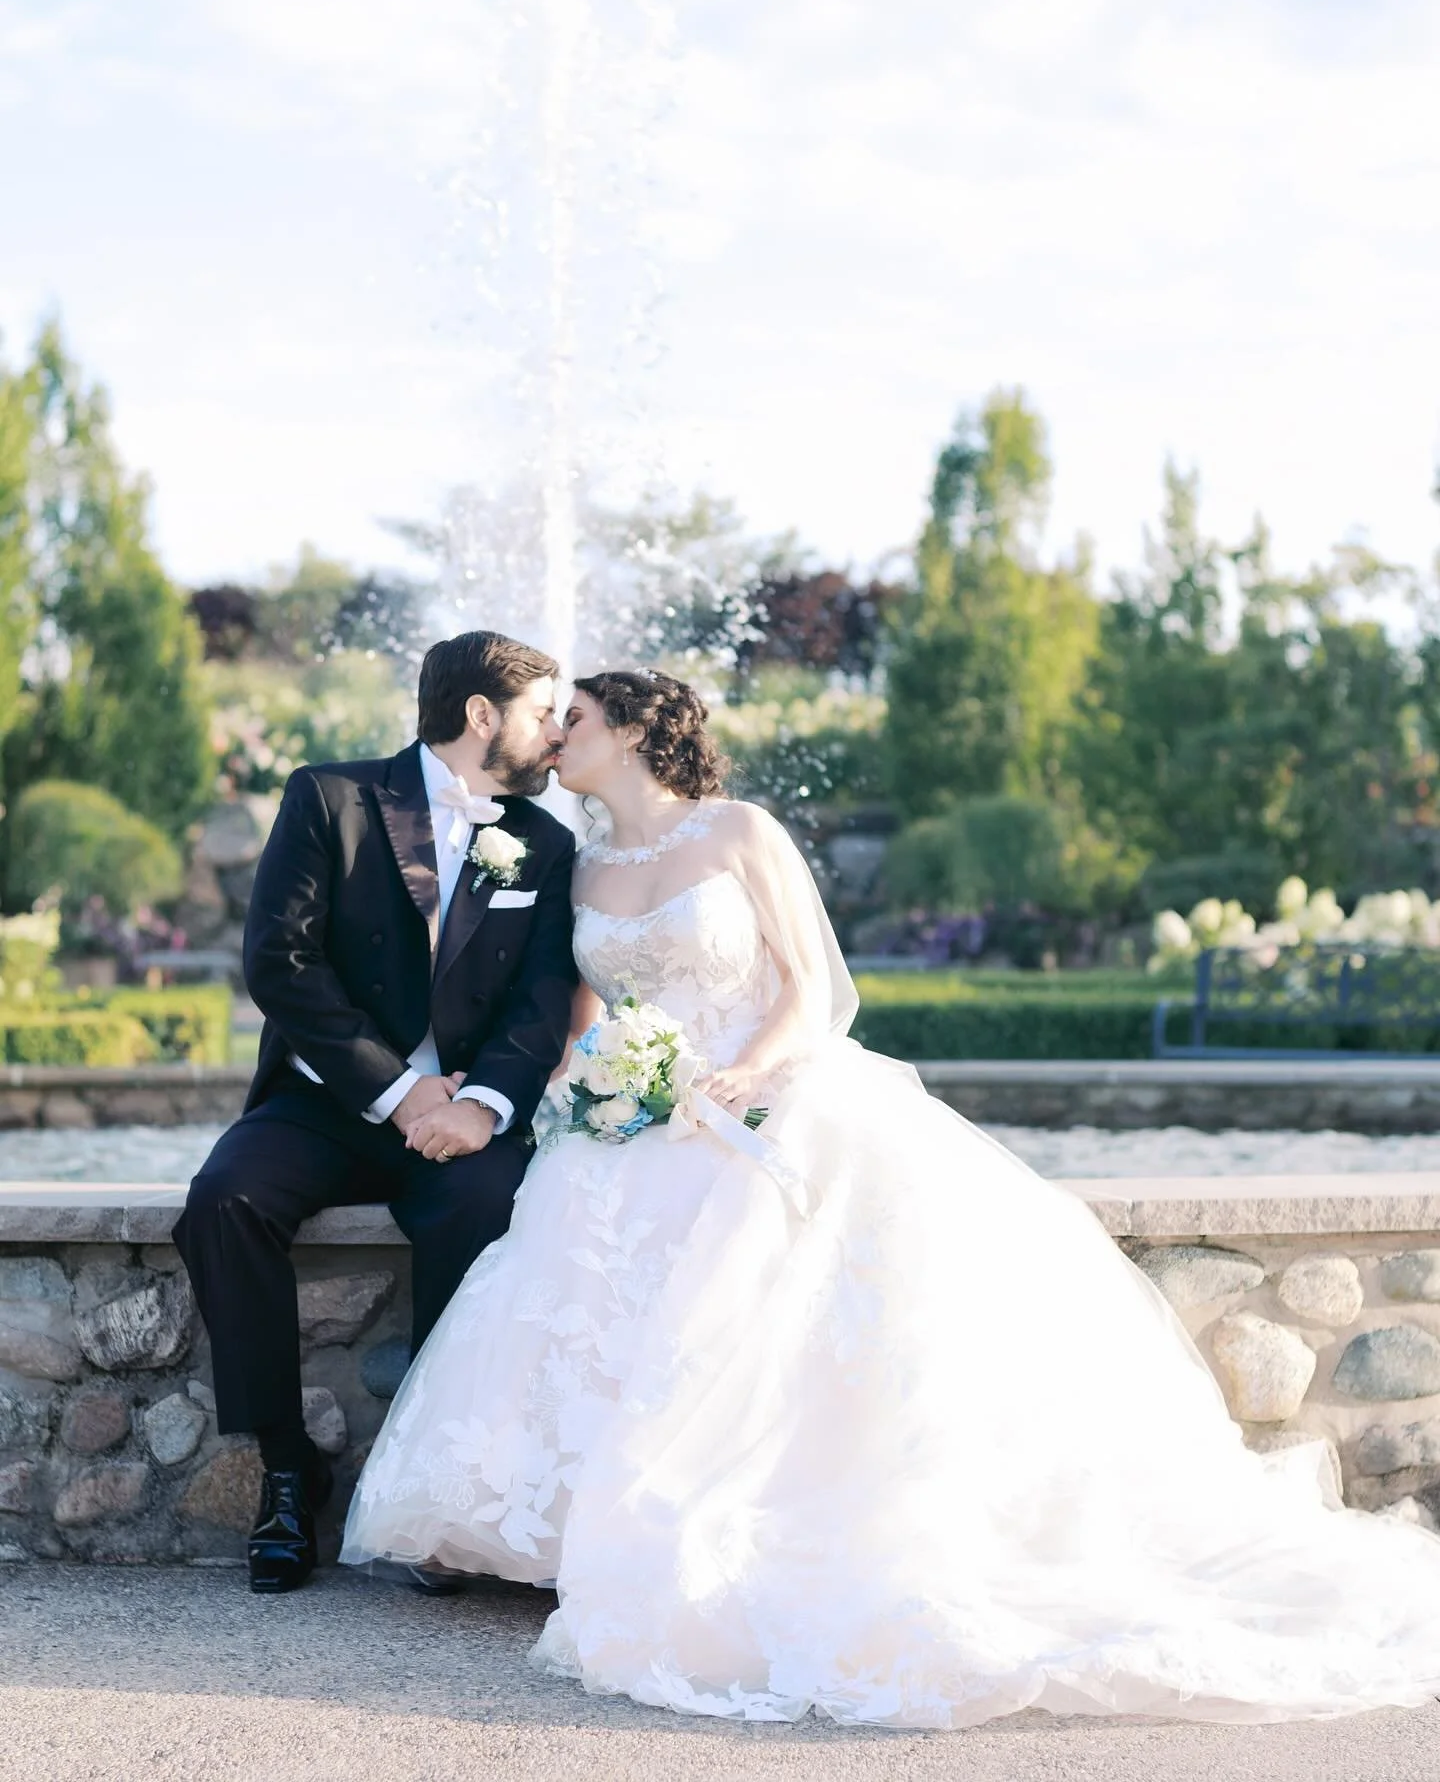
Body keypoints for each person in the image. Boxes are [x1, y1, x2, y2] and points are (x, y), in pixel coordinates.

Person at [343, 668, 1440, 1728]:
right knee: (568, 1265)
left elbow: (813, 986)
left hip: (762, 1096)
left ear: (630, 727)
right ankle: (554, 1535)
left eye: (572, 716)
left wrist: (750, 1071)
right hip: (637, 1121)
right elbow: (586, 1007)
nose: (554, 735)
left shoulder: (738, 833)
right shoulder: (579, 866)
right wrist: (598, 1085)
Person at [174, 630, 578, 1594]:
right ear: (482, 715)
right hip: (332, 1101)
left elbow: (542, 998)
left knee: (485, 1212)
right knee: (224, 1200)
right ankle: (284, 1467)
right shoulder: (331, 797)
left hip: (464, 1121)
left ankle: (436, 1491)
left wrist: (481, 1104)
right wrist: (398, 1091)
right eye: (540, 712)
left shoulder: (547, 843)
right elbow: (281, 961)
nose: (555, 732)